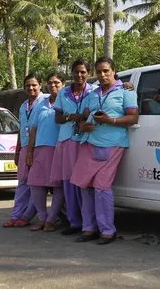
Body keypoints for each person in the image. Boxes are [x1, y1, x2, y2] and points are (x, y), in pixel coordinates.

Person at [70, 56, 139, 245]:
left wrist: (111, 121)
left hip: (112, 144)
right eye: (99, 71)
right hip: (89, 143)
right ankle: (88, 228)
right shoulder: (92, 94)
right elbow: (83, 117)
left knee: (102, 187)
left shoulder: (126, 91)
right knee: (84, 186)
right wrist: (83, 125)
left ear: (113, 71)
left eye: (106, 71)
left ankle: (107, 231)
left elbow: (133, 118)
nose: (102, 75)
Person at [52, 59, 95, 236]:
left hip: (86, 139)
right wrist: (71, 116)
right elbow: (58, 118)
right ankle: (74, 221)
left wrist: (128, 85)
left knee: (83, 183)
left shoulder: (94, 91)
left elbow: (116, 85)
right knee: (69, 183)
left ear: (89, 73)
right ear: (71, 73)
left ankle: (88, 223)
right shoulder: (63, 93)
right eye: (76, 72)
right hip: (68, 140)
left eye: (83, 72)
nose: (79, 75)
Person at [2, 73, 44, 228]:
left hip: (40, 147)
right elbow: (21, 130)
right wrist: (18, 151)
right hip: (25, 147)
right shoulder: (23, 106)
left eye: (34, 85)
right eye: (28, 85)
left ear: (40, 85)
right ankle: (17, 215)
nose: (31, 88)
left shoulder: (46, 103)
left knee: (36, 184)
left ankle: (26, 216)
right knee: (22, 183)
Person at [26, 73, 65, 232]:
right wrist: (30, 151)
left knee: (58, 186)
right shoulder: (41, 103)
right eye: (50, 82)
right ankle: (42, 218)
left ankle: (51, 220)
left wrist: (125, 85)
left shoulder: (68, 101)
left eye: (57, 82)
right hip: (40, 149)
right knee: (35, 184)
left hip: (59, 148)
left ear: (63, 84)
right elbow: (33, 128)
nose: (53, 85)